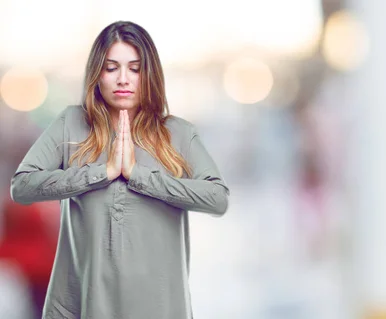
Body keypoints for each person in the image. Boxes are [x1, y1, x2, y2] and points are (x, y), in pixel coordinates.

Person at [9, 21, 230, 319]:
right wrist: (102, 172)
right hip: (81, 308)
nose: (123, 79)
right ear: (96, 74)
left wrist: (139, 176)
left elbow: (218, 198)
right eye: (111, 68)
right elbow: (22, 187)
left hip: (160, 309)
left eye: (135, 68)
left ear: (149, 74)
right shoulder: (71, 123)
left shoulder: (177, 133)